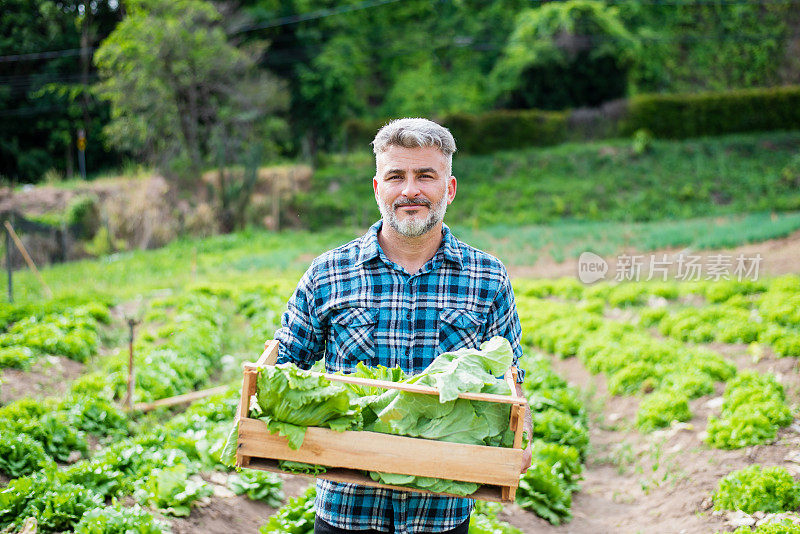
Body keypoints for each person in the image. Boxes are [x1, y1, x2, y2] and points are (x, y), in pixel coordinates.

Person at [275, 117, 532, 534]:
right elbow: (285, 368)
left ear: (448, 188)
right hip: (347, 511)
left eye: (425, 176)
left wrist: (522, 440)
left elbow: (510, 381)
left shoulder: (488, 278)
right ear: (379, 188)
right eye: (396, 176)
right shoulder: (327, 274)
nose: (410, 190)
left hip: (442, 512)